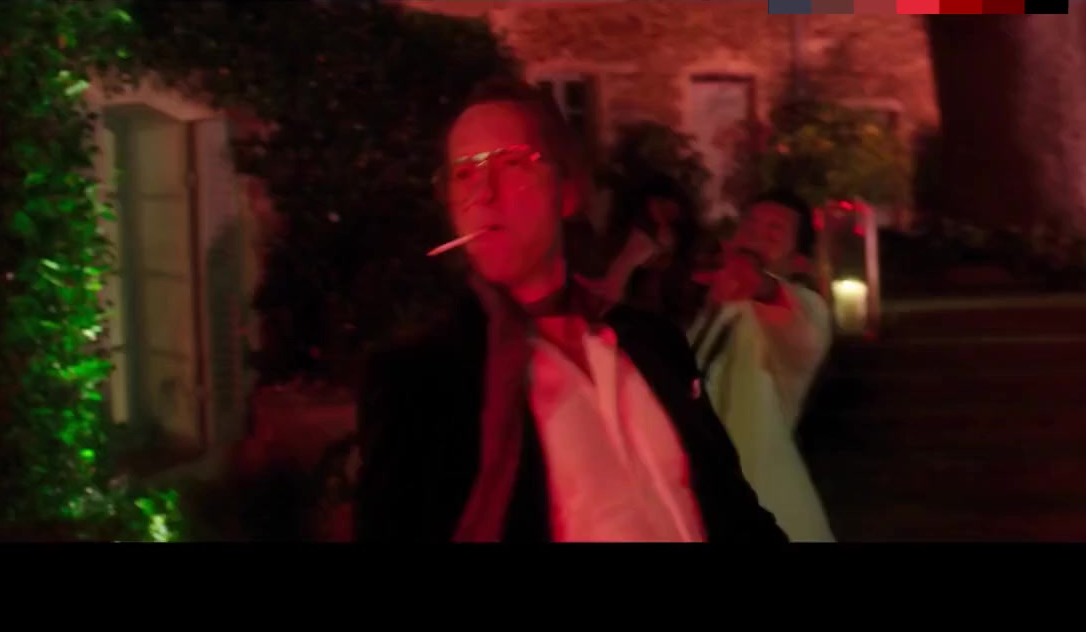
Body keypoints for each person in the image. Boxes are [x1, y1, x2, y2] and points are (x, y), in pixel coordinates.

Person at [353, 78, 786, 542]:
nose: (484, 193)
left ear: (567, 192)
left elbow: (734, 509)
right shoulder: (420, 378)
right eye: (464, 174)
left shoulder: (653, 342)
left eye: (511, 163)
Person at [687, 188, 835, 542]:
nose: (754, 237)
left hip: (764, 504)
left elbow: (798, 329)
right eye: (750, 225)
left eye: (773, 232)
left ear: (799, 262)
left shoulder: (804, 307)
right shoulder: (708, 312)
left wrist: (760, 284)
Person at [578, 172, 704, 329]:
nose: (665, 215)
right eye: (662, 206)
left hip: (615, 294)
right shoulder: (618, 213)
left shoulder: (665, 238)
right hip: (595, 282)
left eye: (671, 215)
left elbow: (656, 269)